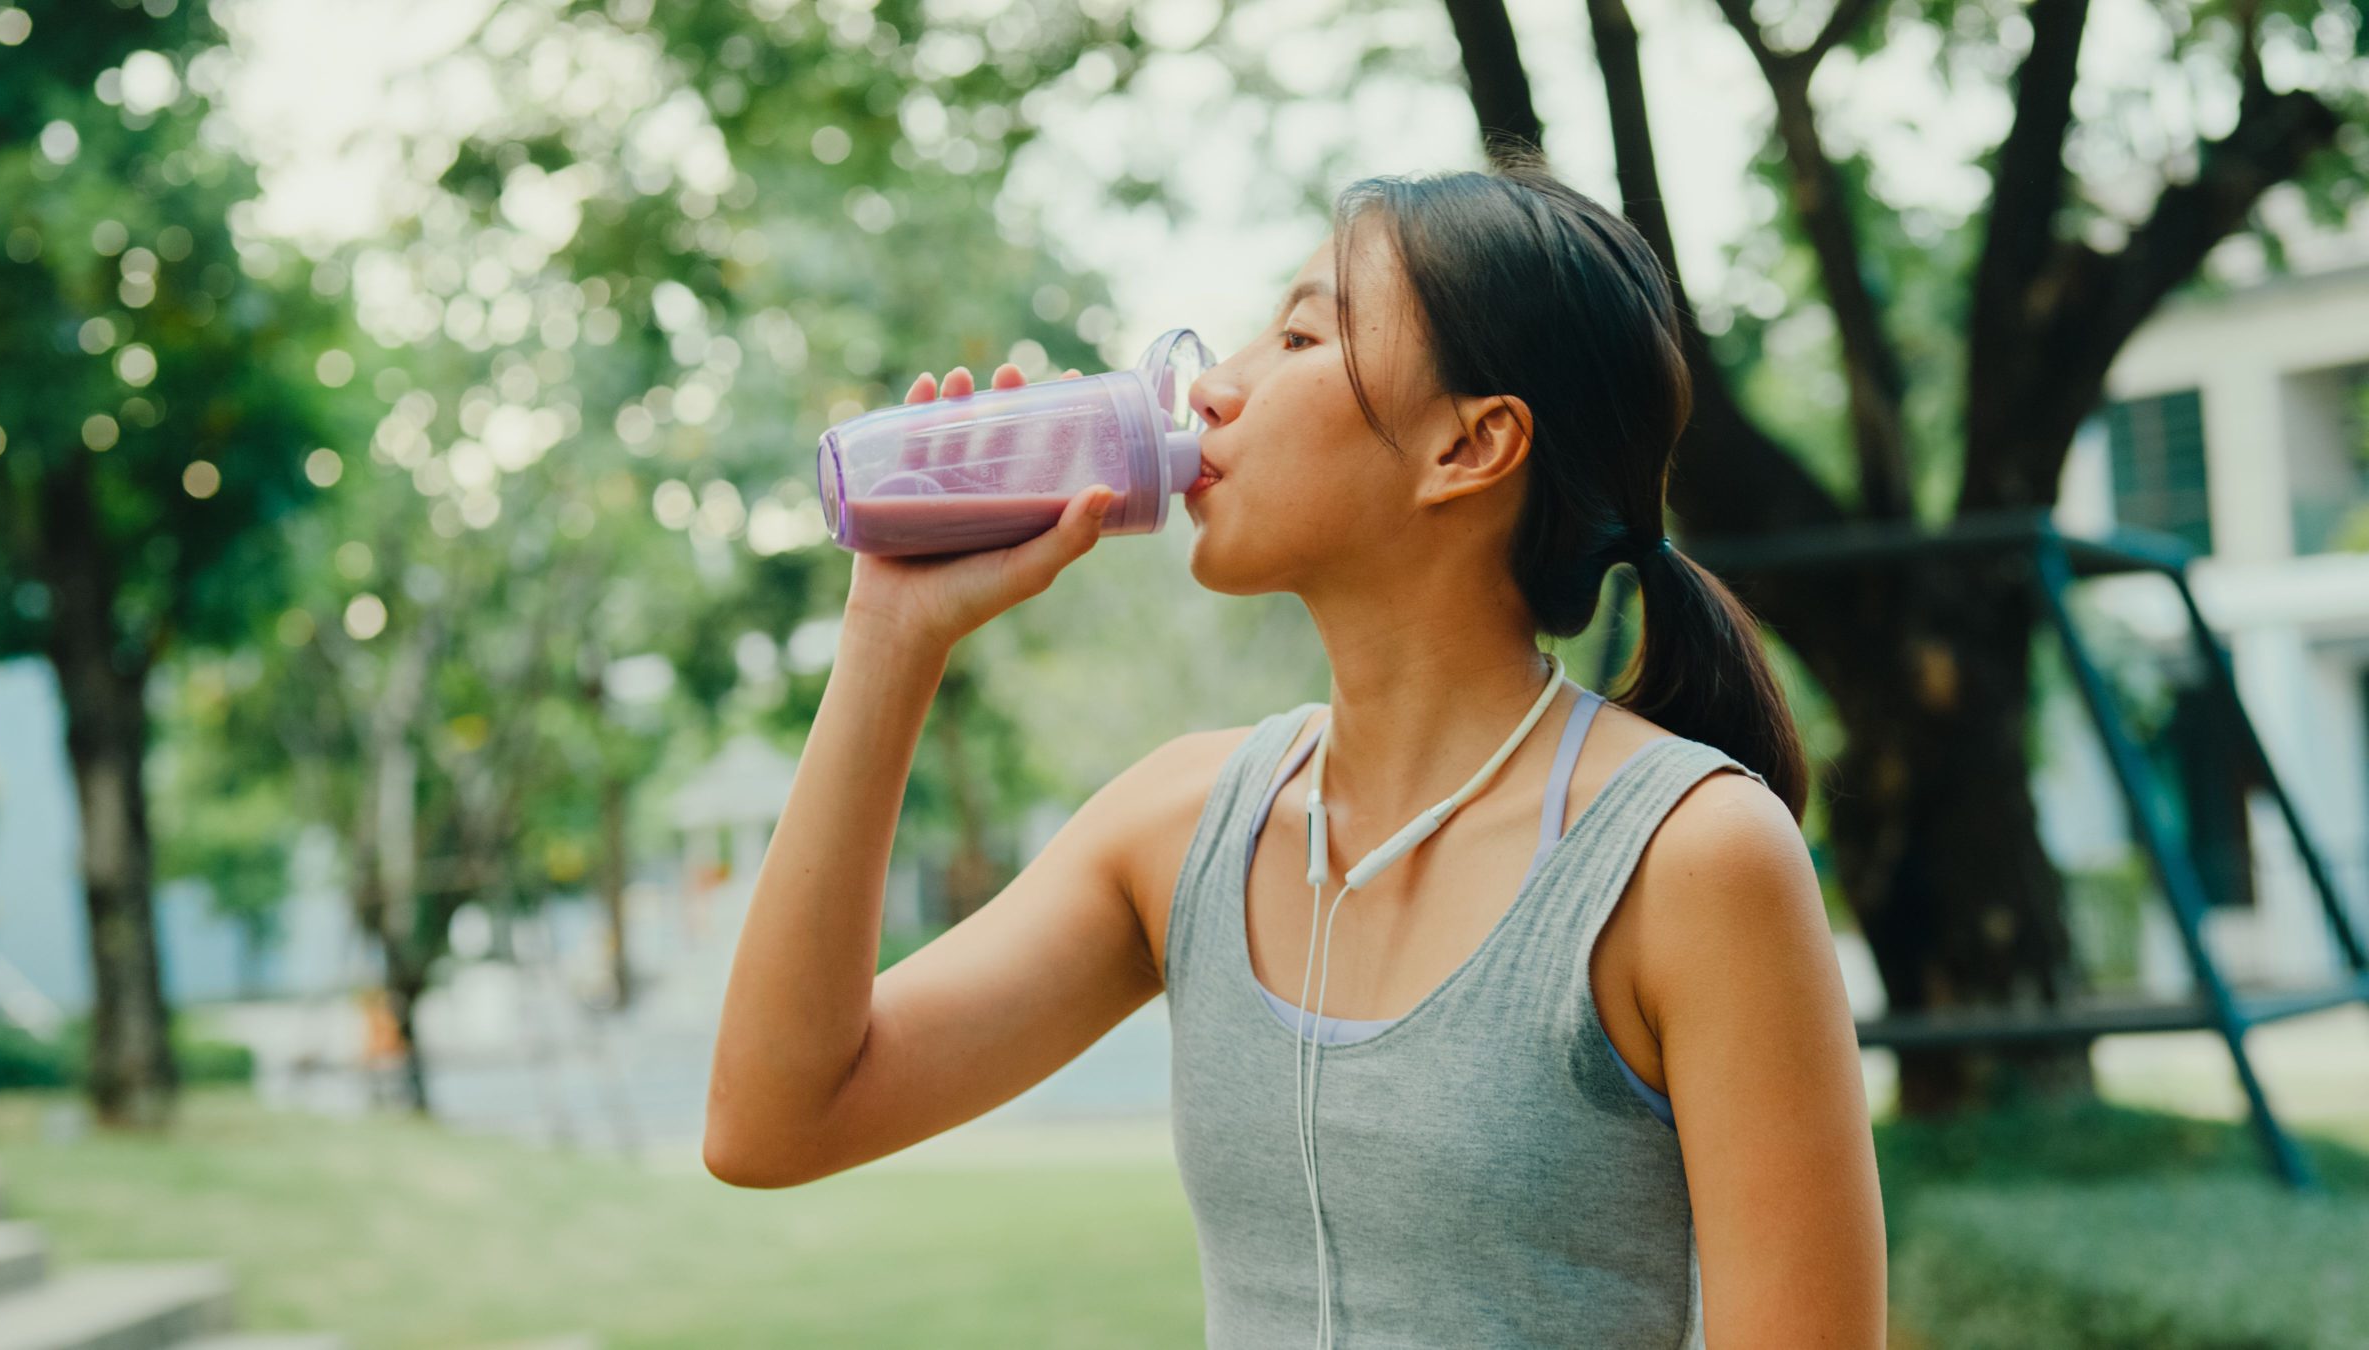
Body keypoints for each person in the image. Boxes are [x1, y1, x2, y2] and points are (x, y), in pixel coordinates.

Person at [705, 150, 1885, 1348]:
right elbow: (775, 1120)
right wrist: (889, 631)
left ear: (1468, 447)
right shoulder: (1179, 828)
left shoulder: (1687, 860)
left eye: (1302, 340)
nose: (1212, 389)